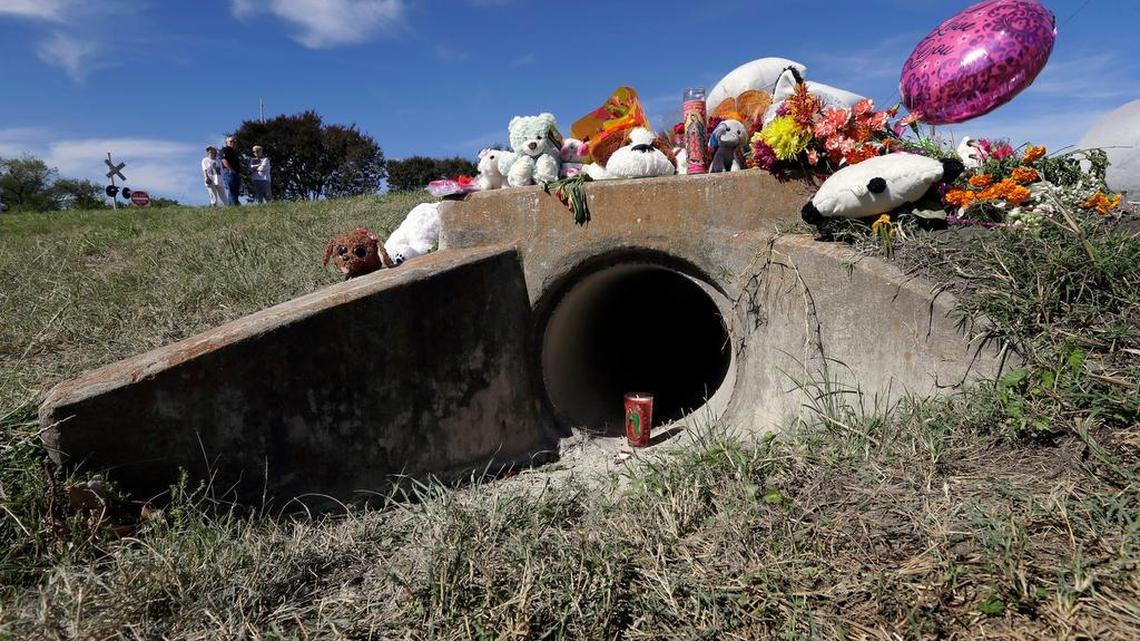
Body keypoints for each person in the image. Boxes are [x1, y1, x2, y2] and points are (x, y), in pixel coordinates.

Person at [220, 136, 242, 206]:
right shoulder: (225, 149)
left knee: (234, 191)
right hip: (229, 172)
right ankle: (235, 206)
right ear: (226, 143)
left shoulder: (234, 152)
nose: (233, 143)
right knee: (233, 190)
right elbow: (224, 160)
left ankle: (231, 206)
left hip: (235, 173)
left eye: (234, 142)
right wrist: (231, 170)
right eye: (231, 141)